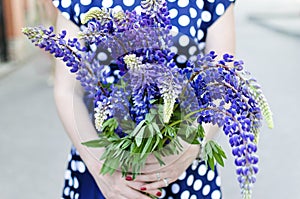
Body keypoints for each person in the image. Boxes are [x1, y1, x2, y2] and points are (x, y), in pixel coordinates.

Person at [52, 0, 236, 198]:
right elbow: (68, 90)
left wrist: (192, 146)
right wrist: (101, 169)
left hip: (182, 165)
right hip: (105, 165)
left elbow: (221, 83)